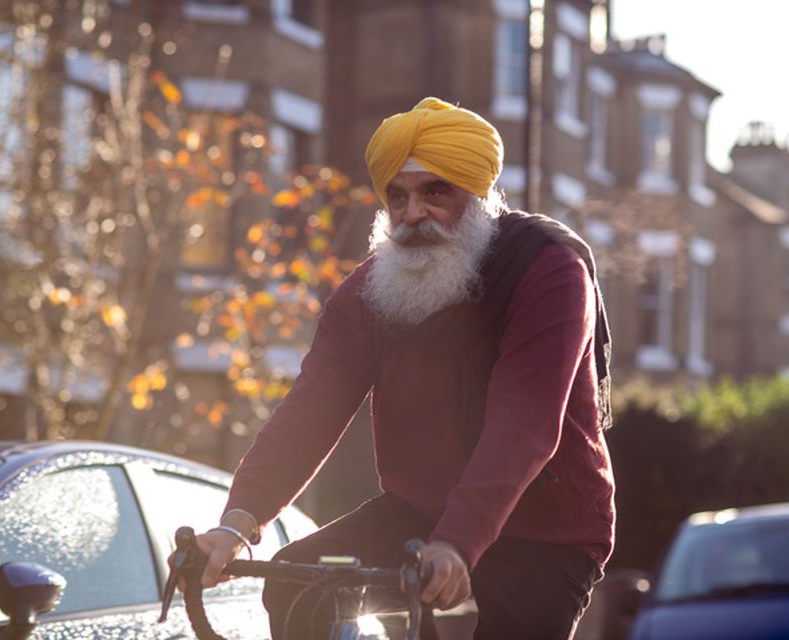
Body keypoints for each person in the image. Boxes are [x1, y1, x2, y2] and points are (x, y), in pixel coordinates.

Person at [182, 97, 616, 640]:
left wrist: (458, 540)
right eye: (398, 196)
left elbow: (524, 422)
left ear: (479, 196)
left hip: (546, 524)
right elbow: (310, 410)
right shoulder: (370, 290)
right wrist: (236, 523)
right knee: (299, 584)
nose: (412, 214)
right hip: (421, 513)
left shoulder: (549, 270)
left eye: (436, 191)